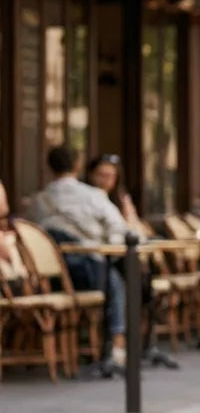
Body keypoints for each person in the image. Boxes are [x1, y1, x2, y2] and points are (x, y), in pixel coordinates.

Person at [26, 145, 130, 368]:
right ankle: (117, 346)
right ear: (77, 165)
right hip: (89, 271)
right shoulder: (93, 196)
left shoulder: (37, 201)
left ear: (50, 167)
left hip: (52, 279)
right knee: (117, 281)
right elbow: (121, 230)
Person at [84, 154, 146, 235]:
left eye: (111, 176)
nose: (106, 180)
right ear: (91, 175)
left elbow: (134, 225)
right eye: (102, 175)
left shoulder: (121, 198)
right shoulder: (85, 196)